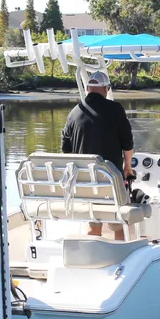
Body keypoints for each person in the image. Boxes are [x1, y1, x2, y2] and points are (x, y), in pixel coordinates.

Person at [61, 71, 134, 239]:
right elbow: (128, 143)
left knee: (93, 221)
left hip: (85, 183)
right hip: (110, 181)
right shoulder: (115, 109)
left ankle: (93, 251)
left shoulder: (74, 113)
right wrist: (127, 167)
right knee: (120, 225)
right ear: (106, 89)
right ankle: (121, 253)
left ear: (87, 89)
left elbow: (66, 149)